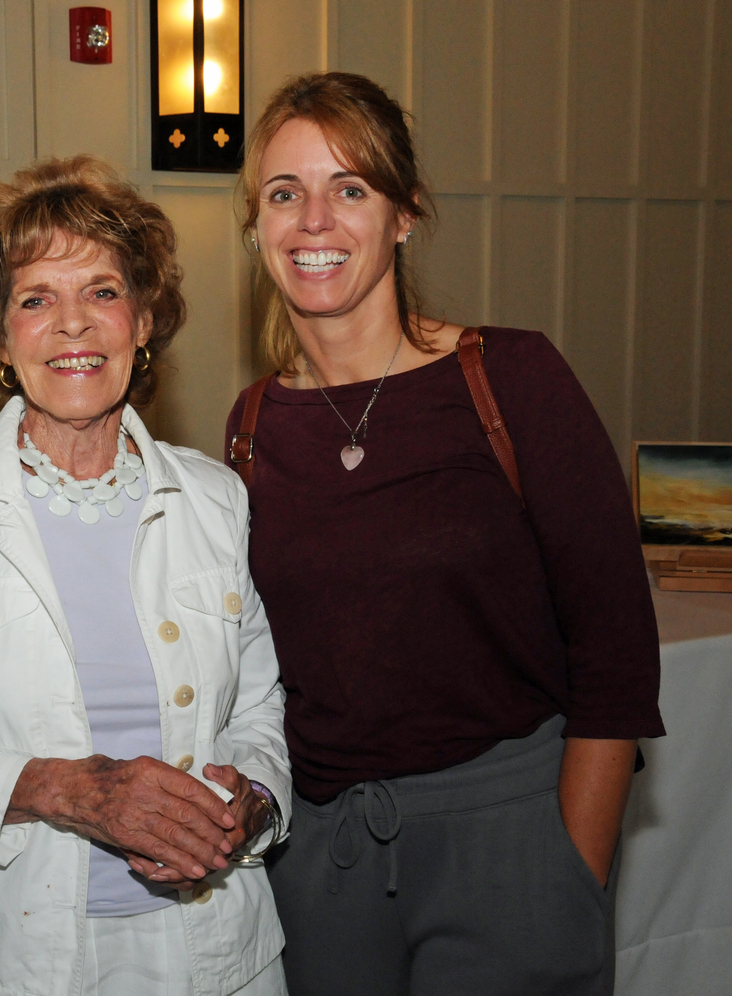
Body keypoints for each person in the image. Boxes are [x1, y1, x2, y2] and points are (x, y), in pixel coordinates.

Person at [224, 72, 665, 996]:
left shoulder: (509, 378)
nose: (314, 220)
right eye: (284, 193)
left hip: (509, 847)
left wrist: (568, 878)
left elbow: (617, 653)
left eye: (350, 189)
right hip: (321, 865)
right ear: (256, 224)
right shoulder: (251, 426)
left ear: (404, 214)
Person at [0, 156, 290, 996]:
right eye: (36, 299)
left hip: (216, 952)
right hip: (13, 957)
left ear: (145, 321)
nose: (73, 325)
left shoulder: (214, 498)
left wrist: (253, 802)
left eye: (104, 292)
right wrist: (58, 789)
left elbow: (258, 707)